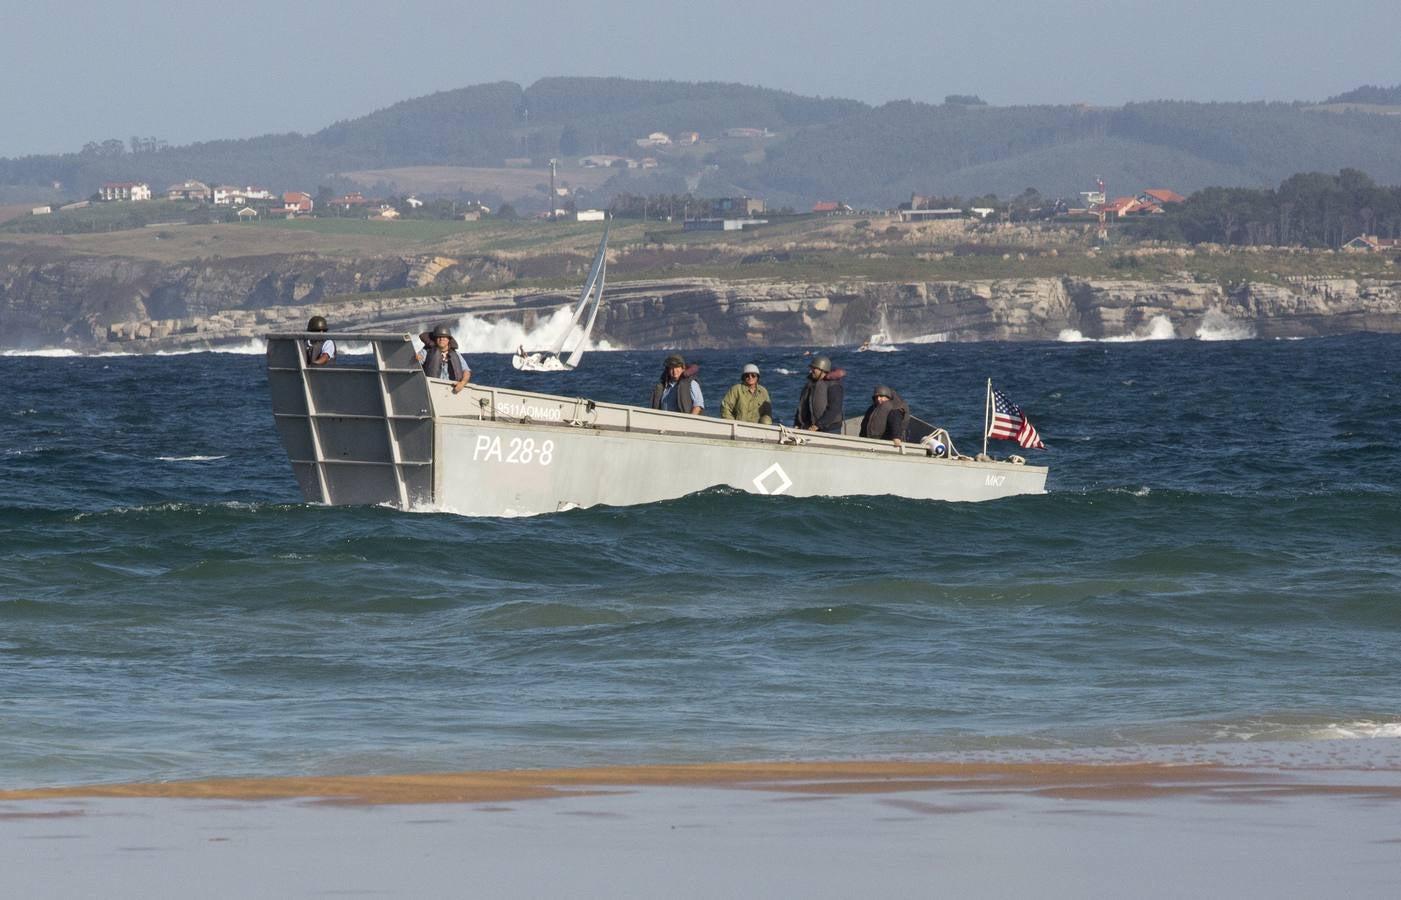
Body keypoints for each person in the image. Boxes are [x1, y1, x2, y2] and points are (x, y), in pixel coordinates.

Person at [793, 355, 844, 433]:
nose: (811, 371)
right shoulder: (810, 385)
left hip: (829, 429)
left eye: (814, 369)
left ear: (822, 370)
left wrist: (818, 425)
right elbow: (802, 406)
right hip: (811, 428)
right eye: (811, 368)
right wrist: (798, 423)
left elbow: (834, 409)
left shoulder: (834, 385)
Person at [420, 323, 471, 394]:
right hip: (432, 389)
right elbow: (416, 363)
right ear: (435, 339)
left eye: (444, 337)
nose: (441, 339)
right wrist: (416, 359)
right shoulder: (426, 351)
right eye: (439, 337)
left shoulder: (456, 354)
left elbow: (466, 371)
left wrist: (462, 383)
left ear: (448, 339)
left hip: (451, 390)